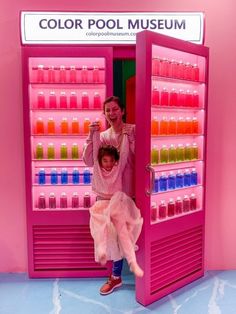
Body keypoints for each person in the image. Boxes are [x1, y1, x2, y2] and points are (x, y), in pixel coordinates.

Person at [83, 96, 139, 295]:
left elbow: (138, 158)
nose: (112, 113)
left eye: (115, 109)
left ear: (122, 111)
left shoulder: (133, 130)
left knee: (128, 235)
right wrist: (91, 136)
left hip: (131, 191)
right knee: (112, 237)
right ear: (104, 113)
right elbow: (90, 161)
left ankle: (147, 277)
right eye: (108, 110)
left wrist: (131, 140)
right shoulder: (103, 136)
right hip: (108, 194)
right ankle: (116, 277)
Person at [89, 144, 143, 293]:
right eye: (104, 160)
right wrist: (94, 132)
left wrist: (125, 135)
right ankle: (116, 275)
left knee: (121, 239)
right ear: (99, 161)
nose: (107, 164)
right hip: (101, 207)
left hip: (117, 205)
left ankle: (121, 271)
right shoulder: (98, 170)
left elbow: (124, 154)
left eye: (111, 160)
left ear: (115, 161)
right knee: (108, 241)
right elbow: (94, 155)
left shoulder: (117, 169)